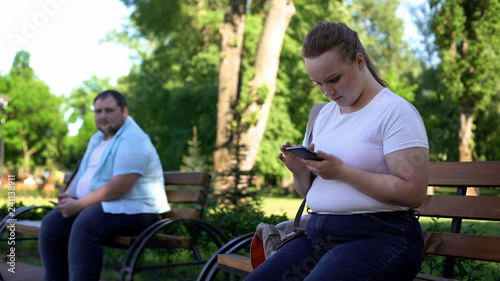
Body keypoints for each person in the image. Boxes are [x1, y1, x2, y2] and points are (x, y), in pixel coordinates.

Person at [245, 22, 429, 281]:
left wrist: (343, 171)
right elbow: (311, 193)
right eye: (318, 83)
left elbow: (414, 193)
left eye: (334, 79)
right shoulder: (325, 115)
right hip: (317, 238)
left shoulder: (395, 112)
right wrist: (300, 171)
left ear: (359, 61)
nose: (328, 91)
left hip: (380, 238)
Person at [39, 90, 170, 281]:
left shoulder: (133, 139)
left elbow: (121, 186)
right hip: (105, 207)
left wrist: (80, 204)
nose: (103, 116)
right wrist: (68, 195)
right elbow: (84, 171)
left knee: (86, 224)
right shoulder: (97, 139)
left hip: (140, 211)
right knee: (52, 224)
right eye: (98, 111)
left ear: (124, 111)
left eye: (109, 110)